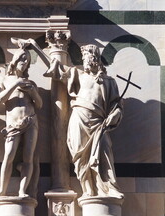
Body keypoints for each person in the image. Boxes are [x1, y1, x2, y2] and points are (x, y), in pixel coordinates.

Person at [44, 44, 124, 199]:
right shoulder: (78, 75)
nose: (84, 60)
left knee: (105, 152)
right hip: (79, 119)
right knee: (80, 157)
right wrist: (35, 46)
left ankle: (109, 187)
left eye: (86, 57)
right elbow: (55, 67)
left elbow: (117, 105)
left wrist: (115, 115)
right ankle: (88, 190)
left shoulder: (109, 81)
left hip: (99, 123)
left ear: (95, 58)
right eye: (83, 57)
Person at [0, 48, 42, 197]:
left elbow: (39, 105)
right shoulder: (4, 80)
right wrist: (15, 85)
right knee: (8, 156)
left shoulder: (31, 82)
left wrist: (33, 92)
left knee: (28, 157)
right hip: (13, 125)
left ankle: (22, 191)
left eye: (27, 60)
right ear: (15, 60)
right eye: (22, 58)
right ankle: (2, 190)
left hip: (31, 121)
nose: (25, 61)